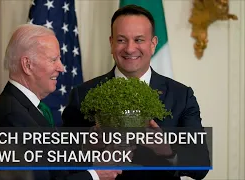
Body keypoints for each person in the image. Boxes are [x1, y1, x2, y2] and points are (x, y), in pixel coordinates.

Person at [62, 5, 210, 180]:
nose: (130, 49)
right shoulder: (83, 94)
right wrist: (88, 148)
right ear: (111, 43)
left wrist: (167, 151)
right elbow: (63, 163)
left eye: (139, 40)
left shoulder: (181, 96)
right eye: (121, 40)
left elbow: (201, 165)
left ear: (153, 44)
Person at [0, 24, 121, 180]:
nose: (61, 68)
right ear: (27, 65)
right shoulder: (11, 118)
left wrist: (88, 145)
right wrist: (95, 175)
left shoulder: (28, 107)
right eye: (53, 59)